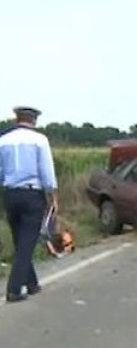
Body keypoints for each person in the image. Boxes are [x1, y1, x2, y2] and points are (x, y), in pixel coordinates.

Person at [0, 106, 58, 302]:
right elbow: (47, 172)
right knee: (27, 243)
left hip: (10, 194)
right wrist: (52, 195)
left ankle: (31, 283)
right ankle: (15, 289)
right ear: (34, 120)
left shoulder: (3, 141)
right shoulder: (40, 141)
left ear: (17, 118)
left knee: (20, 240)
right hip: (32, 194)